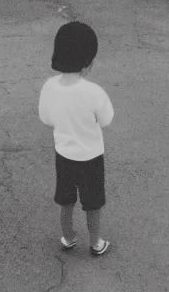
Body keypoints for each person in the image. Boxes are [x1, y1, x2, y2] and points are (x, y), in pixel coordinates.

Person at [38, 21, 114, 256]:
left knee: (66, 199)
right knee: (93, 202)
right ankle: (95, 243)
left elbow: (46, 118)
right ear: (87, 63)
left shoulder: (49, 87)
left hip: (64, 154)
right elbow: (106, 120)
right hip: (91, 156)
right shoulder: (94, 92)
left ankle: (68, 237)